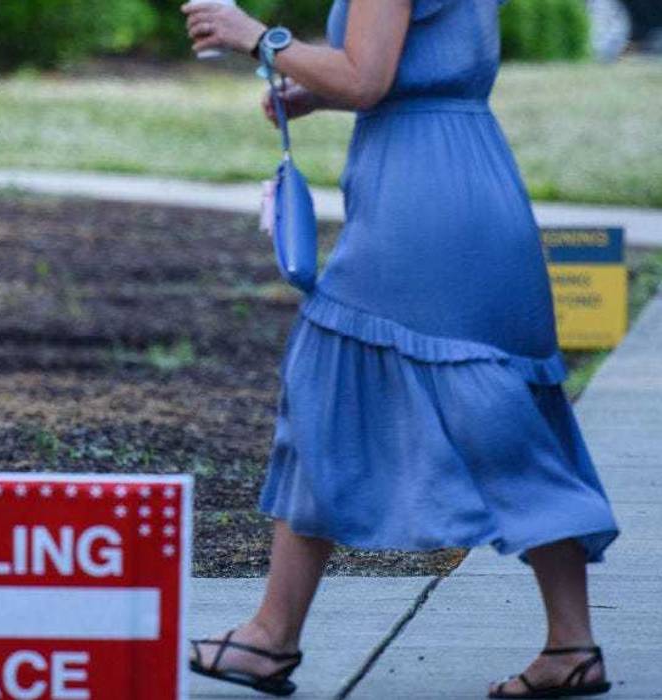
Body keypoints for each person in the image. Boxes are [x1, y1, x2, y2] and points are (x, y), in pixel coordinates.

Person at [180, 1, 620, 697]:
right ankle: (570, 644)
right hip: (473, 182)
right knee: (505, 417)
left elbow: (365, 79)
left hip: (418, 211)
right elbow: (420, 66)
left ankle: (269, 639)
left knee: (326, 390)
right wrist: (313, 89)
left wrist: (257, 38)